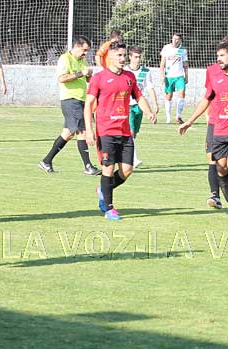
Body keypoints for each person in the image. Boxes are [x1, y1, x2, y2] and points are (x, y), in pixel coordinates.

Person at [179, 41, 228, 215]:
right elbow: (207, 98)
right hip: (216, 124)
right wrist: (190, 120)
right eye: (218, 56)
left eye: (222, 55)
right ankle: (223, 199)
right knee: (217, 164)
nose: (218, 59)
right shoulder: (213, 73)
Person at [84, 41, 156, 220]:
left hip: (124, 132)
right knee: (108, 168)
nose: (123, 59)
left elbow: (139, 97)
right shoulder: (99, 78)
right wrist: (89, 130)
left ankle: (103, 189)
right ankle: (109, 209)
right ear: (110, 56)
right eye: (119, 55)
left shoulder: (129, 77)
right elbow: (88, 105)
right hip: (106, 131)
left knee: (127, 170)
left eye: (124, 55)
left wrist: (149, 112)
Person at [38, 35, 99, 176]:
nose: (85, 54)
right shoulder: (65, 59)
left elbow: (86, 79)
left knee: (67, 133)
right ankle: (88, 166)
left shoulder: (82, 61)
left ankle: (46, 161)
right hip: (71, 100)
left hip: (81, 100)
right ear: (76, 46)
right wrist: (80, 73)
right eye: (84, 50)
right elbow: (62, 78)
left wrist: (89, 75)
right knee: (82, 132)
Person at [125, 46, 159, 168]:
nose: (138, 59)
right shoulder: (125, 71)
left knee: (134, 134)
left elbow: (150, 87)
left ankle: (127, 155)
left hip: (139, 105)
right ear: (130, 57)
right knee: (130, 132)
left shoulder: (145, 71)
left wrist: (155, 103)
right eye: (135, 57)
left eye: (139, 57)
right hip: (127, 105)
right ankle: (134, 160)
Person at [160, 33, 188, 124]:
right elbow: (162, 63)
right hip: (169, 76)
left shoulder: (183, 50)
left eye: (177, 39)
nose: (175, 41)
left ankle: (178, 116)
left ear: (180, 41)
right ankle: (168, 118)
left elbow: (185, 64)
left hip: (179, 76)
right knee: (169, 96)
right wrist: (162, 75)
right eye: (174, 38)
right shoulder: (166, 48)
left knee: (182, 93)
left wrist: (186, 76)